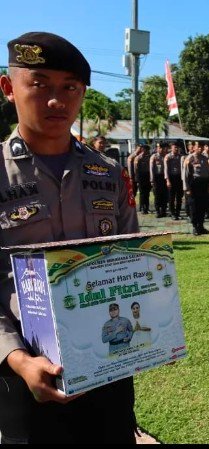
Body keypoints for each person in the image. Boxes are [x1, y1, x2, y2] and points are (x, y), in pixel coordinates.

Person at [0, 31, 139, 444]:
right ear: (9, 88)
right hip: (25, 372)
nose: (57, 100)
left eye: (70, 87)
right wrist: (19, 359)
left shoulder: (109, 174)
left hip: (107, 364)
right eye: (39, 84)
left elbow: (129, 260)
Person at [183, 140, 209, 235]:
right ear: (194, 147)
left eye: (202, 146)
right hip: (194, 185)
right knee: (194, 207)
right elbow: (185, 175)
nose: (200, 148)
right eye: (198, 146)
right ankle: (195, 227)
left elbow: (208, 173)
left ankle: (201, 226)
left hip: (204, 184)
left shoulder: (205, 158)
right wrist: (187, 188)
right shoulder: (189, 159)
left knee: (202, 206)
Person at [164, 142, 184, 220]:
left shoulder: (181, 157)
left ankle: (177, 212)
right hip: (171, 178)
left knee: (179, 197)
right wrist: (167, 180)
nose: (176, 149)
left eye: (177, 147)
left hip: (179, 178)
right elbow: (166, 169)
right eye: (175, 147)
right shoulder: (168, 157)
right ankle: (172, 213)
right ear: (171, 148)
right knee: (171, 197)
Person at [150, 142, 168, 218]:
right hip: (157, 178)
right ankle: (158, 211)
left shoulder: (166, 156)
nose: (160, 149)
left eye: (161, 148)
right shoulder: (154, 157)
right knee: (157, 195)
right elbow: (151, 169)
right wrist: (152, 180)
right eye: (159, 148)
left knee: (164, 195)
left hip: (164, 178)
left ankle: (163, 211)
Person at [134, 144, 152, 214]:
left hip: (147, 175)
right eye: (145, 150)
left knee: (147, 193)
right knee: (142, 193)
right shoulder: (138, 158)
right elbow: (136, 169)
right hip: (141, 176)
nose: (146, 152)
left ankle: (146, 207)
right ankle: (142, 207)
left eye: (147, 150)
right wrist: (137, 178)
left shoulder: (149, 157)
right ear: (142, 150)